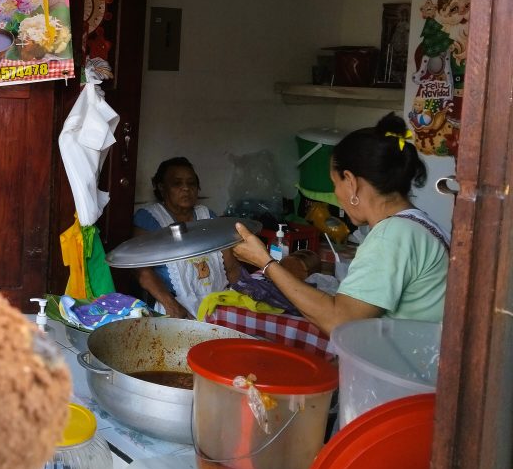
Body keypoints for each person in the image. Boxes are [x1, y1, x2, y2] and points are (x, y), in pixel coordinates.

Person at [232, 113, 449, 335]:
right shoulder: (419, 224)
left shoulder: (391, 236)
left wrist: (265, 262)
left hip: (407, 366)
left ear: (351, 182)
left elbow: (340, 321)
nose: (336, 194)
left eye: (335, 183)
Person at [132, 157, 244, 318]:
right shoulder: (150, 219)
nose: (186, 188)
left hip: (218, 302)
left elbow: (231, 266)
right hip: (174, 305)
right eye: (177, 183)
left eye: (191, 183)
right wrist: (172, 305)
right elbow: (141, 272)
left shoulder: (207, 215)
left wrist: (244, 295)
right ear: (162, 188)